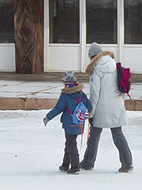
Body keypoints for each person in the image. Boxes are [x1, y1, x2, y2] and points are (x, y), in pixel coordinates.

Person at [82, 42, 133, 172]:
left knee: (94, 134)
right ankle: (127, 163)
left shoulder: (96, 70)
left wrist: (91, 113)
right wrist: (120, 103)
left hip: (102, 107)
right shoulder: (115, 66)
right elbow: (122, 88)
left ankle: (88, 163)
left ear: (92, 57)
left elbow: (95, 94)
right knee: (117, 133)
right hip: (116, 105)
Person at [42, 72, 91, 174]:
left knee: (71, 143)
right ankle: (65, 164)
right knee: (69, 142)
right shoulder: (81, 94)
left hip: (69, 123)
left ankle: (75, 166)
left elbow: (58, 109)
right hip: (79, 123)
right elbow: (89, 106)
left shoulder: (65, 95)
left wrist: (47, 117)